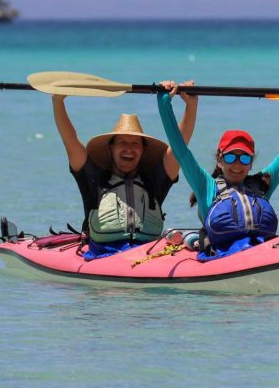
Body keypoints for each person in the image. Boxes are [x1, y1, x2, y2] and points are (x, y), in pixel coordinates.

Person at [157, 81, 279, 258]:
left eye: (245, 158)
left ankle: (191, 238)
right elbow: (180, 149)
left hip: (262, 253)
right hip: (222, 259)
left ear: (251, 163)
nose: (237, 165)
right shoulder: (206, 187)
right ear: (220, 160)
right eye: (231, 157)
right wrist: (165, 103)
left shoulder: (262, 184)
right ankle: (191, 239)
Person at [52, 84, 198, 258]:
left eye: (135, 144)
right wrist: (58, 101)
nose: (129, 149)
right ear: (111, 148)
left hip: (146, 254)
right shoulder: (94, 178)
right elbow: (70, 140)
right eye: (123, 143)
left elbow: (179, 146)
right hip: (103, 254)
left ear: (143, 150)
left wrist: (191, 105)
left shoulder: (155, 180)